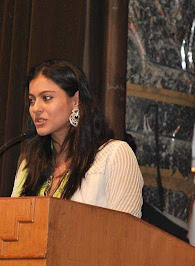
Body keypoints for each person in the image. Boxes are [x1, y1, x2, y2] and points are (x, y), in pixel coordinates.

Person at [11, 59, 143, 218]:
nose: (36, 109)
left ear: (75, 101)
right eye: (32, 100)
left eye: (46, 98)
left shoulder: (113, 156)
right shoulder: (29, 164)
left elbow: (126, 234)